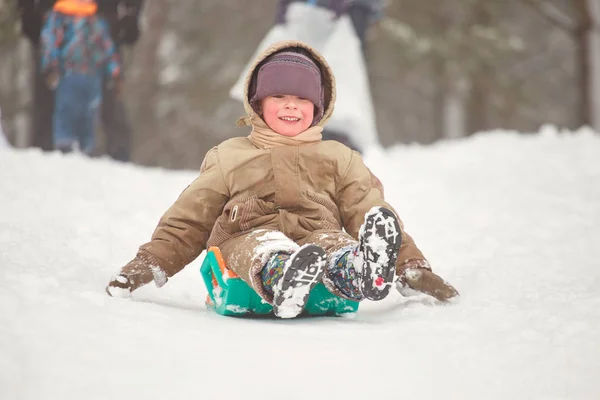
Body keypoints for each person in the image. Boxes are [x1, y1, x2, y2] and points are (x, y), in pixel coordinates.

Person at [106, 40, 459, 318]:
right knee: (260, 246)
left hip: (318, 235)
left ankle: (358, 270)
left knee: (333, 244)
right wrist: (150, 262)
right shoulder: (230, 156)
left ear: (319, 108)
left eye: (302, 99)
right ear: (258, 104)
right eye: (279, 97)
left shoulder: (338, 157)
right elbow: (189, 219)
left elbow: (369, 211)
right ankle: (284, 277)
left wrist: (409, 265)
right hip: (247, 236)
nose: (291, 106)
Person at [17, 0, 143, 160]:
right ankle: (48, 155)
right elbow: (49, 45)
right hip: (54, 12)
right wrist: (26, 8)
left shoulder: (99, 26)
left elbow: (109, 51)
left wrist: (132, 13)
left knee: (101, 105)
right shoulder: (55, 22)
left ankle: (102, 154)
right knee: (53, 103)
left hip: (102, 13)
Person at [41, 0, 121, 154]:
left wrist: (115, 73)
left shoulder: (93, 21)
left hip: (89, 75)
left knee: (87, 112)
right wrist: (51, 66)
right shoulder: (61, 19)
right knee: (69, 109)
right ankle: (67, 143)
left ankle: (85, 146)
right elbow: (49, 42)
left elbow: (107, 48)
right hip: (70, 73)